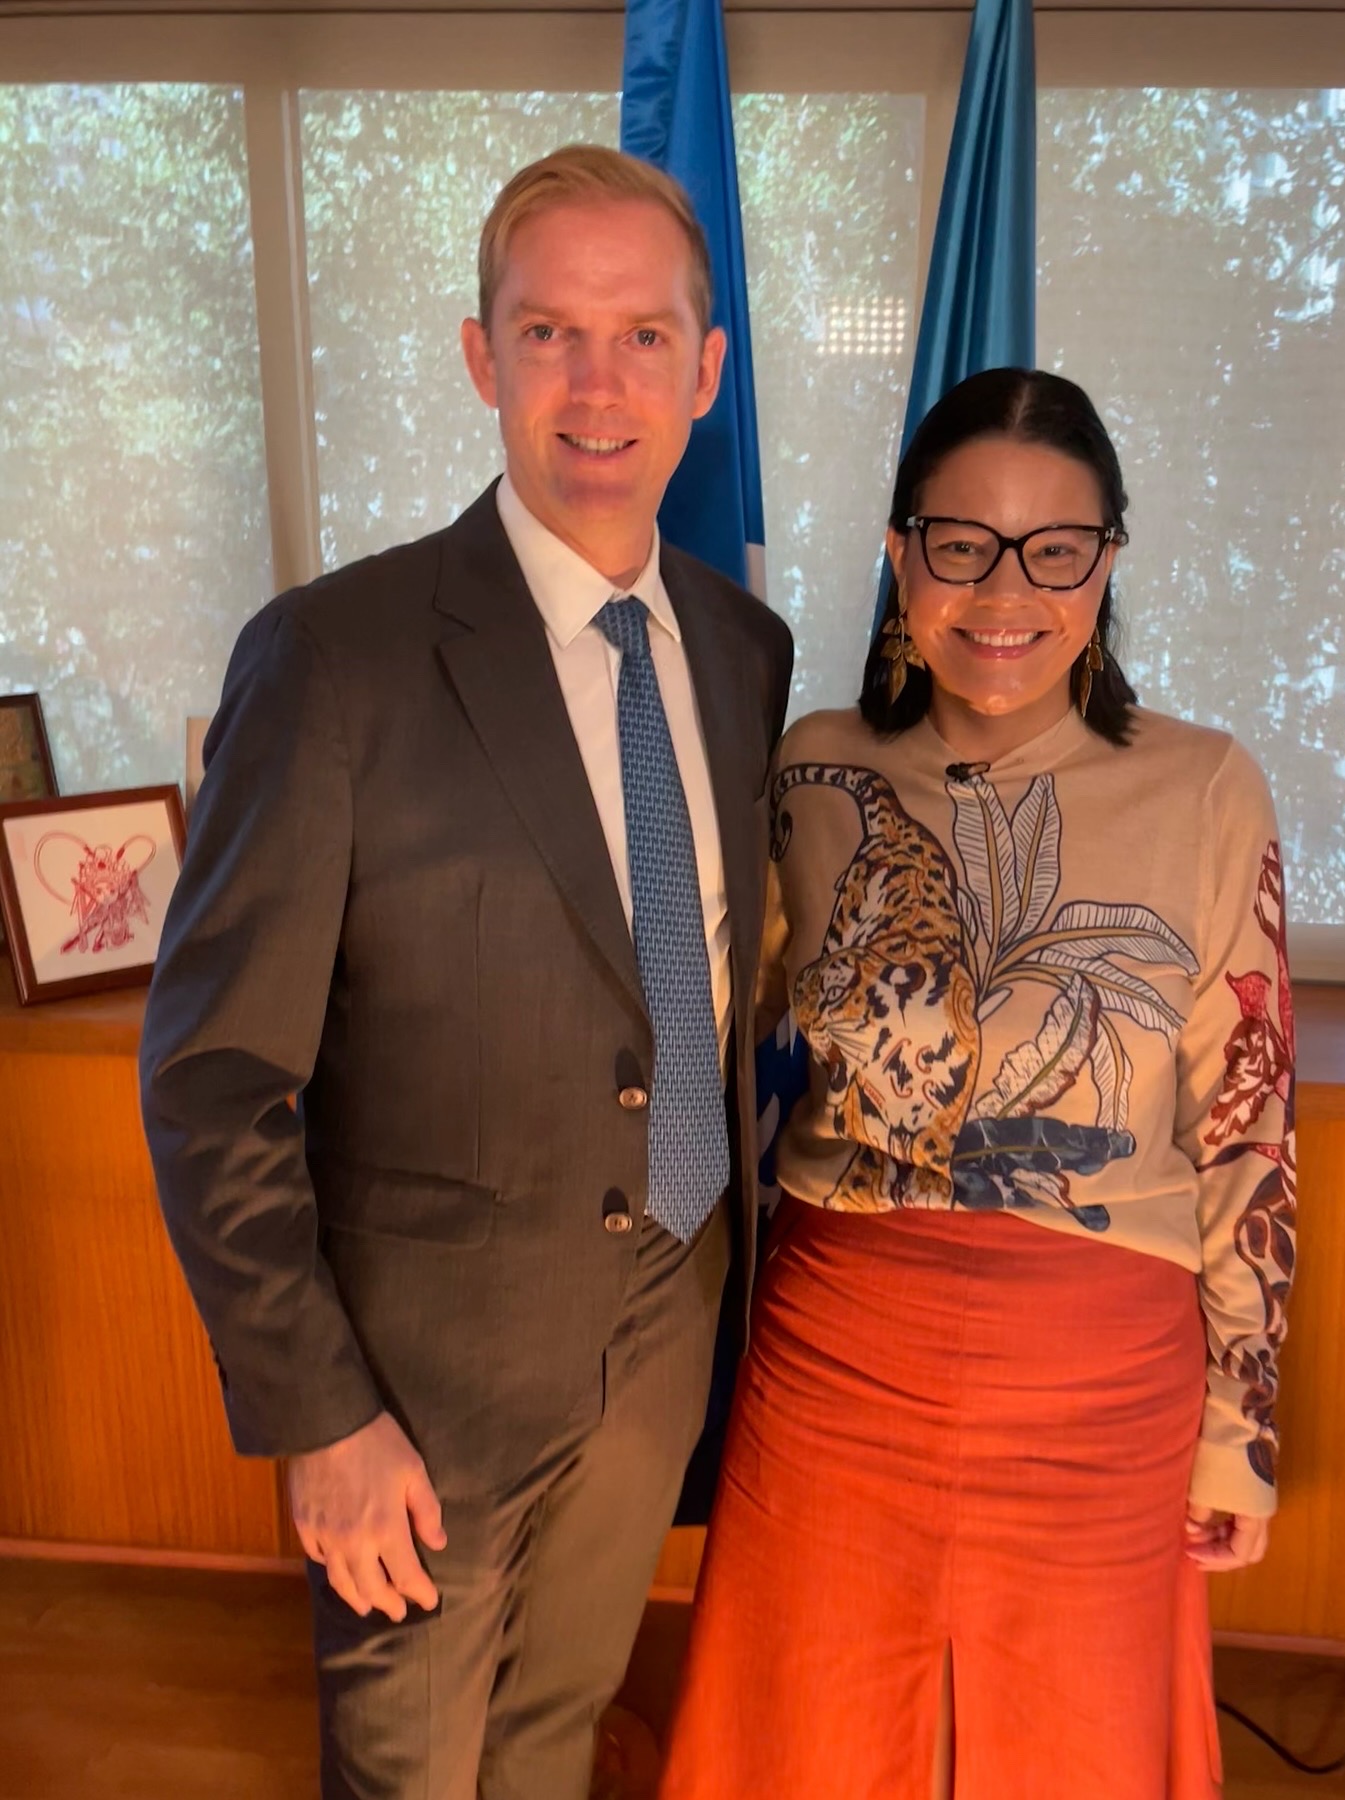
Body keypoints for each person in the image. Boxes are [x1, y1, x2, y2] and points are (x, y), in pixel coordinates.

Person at [140, 144, 792, 1800]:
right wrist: (318, 1414)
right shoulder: (331, 659)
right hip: (414, 1386)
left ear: (706, 372)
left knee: (553, 1741)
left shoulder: (740, 650)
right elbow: (216, 1080)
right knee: (413, 1771)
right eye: (550, 331)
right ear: (480, 356)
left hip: (665, 1316)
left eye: (643, 335)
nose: (597, 382)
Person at [659, 368, 1296, 1800]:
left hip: (1103, 1379)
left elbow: (1251, 1122)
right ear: (900, 555)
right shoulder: (814, 768)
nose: (1005, 591)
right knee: (803, 1741)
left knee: (1074, 1752)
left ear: (1107, 563)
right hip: (836, 1356)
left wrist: (1240, 1431)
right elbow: (697, 1017)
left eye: (1055, 548)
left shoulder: (1206, 786)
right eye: (961, 542)